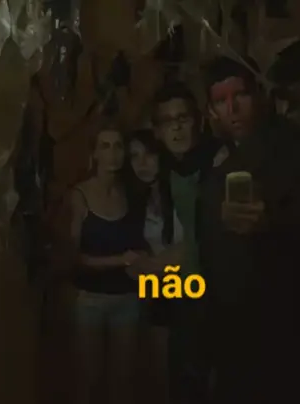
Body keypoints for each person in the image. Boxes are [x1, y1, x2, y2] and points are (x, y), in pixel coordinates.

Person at [199, 56, 300, 404]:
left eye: (240, 96)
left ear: (258, 94)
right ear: (212, 110)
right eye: (221, 101)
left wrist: (270, 222)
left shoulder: (298, 149)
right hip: (234, 334)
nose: (233, 109)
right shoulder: (215, 163)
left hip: (290, 330)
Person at [149, 82, 221, 404]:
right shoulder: (166, 170)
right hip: (186, 289)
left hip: (222, 288)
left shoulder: (218, 161)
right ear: (158, 131)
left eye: (183, 118)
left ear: (198, 121)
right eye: (168, 121)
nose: (176, 128)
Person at [68, 126, 147, 404]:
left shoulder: (132, 192)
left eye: (118, 146)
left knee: (123, 381)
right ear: (94, 153)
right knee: (89, 380)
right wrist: (119, 260)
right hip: (91, 300)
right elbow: (73, 257)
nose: (112, 153)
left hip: (127, 298)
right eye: (105, 146)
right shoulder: (79, 195)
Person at [125, 129, 184, 403]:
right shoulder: (137, 199)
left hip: (192, 283)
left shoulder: (181, 187)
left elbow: (194, 243)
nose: (142, 163)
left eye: (148, 154)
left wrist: (153, 263)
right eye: (134, 156)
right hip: (159, 288)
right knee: (158, 369)